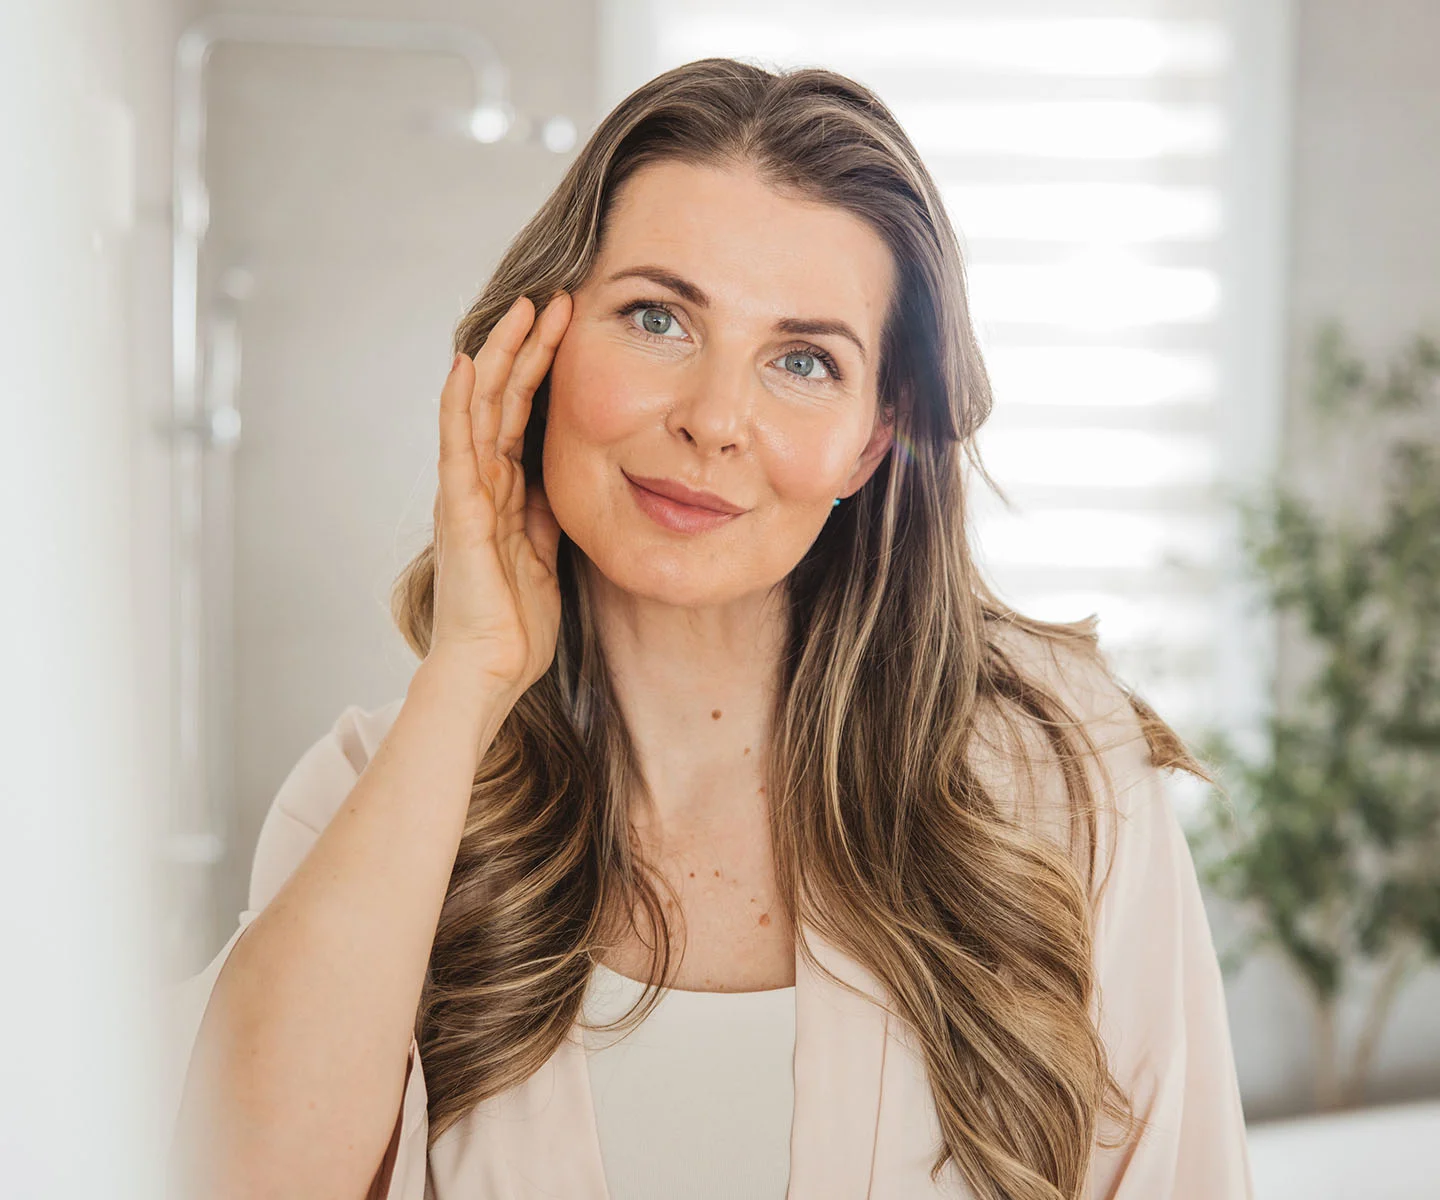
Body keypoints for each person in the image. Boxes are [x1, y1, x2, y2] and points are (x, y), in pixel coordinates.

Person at [165, 57, 1254, 1200]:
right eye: (658, 318)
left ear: (870, 442)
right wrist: (470, 673)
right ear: (538, 348)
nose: (714, 420)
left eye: (803, 361)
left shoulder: (1059, 778)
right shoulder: (372, 802)